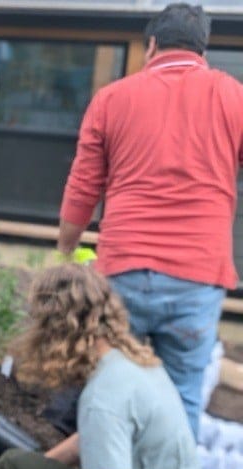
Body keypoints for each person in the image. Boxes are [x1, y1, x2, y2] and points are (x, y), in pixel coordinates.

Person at [56, 3, 243, 440]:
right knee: (183, 397)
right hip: (198, 276)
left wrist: (65, 249)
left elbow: (83, 187)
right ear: (202, 50)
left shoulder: (113, 98)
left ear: (152, 46)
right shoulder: (233, 97)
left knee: (107, 386)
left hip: (124, 269)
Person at [0, 264, 212, 469]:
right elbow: (96, 438)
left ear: (57, 329)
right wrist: (44, 465)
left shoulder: (104, 395)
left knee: (13, 467)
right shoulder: (135, 362)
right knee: (27, 468)